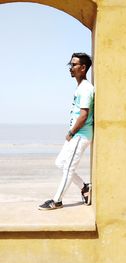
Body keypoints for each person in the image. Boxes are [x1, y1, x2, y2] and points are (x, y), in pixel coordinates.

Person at [39, 52, 94, 210]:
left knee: (68, 168)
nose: (70, 68)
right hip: (75, 134)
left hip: (80, 134)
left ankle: (57, 201)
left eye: (73, 65)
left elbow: (84, 115)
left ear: (83, 68)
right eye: (70, 64)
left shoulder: (86, 89)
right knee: (61, 163)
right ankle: (84, 187)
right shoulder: (81, 87)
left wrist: (71, 133)